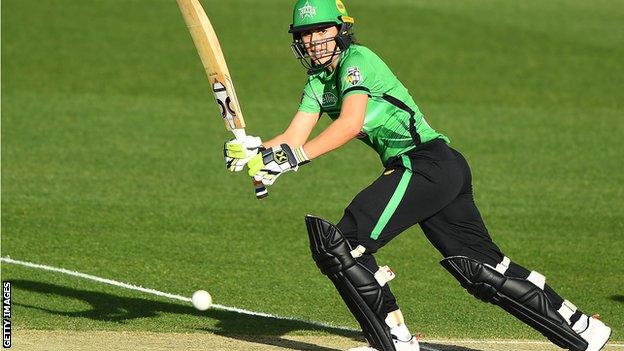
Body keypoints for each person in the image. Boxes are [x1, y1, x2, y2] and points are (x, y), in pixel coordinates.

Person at [223, 1, 612, 350]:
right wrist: (258, 152)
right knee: (483, 269)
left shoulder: (358, 61)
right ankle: (582, 327)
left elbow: (348, 124)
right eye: (304, 34)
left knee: (341, 244)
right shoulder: (317, 83)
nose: (312, 41)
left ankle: (394, 341)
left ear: (340, 30)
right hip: (439, 170)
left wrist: (291, 159)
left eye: (320, 30)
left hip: (424, 163)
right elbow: (293, 139)